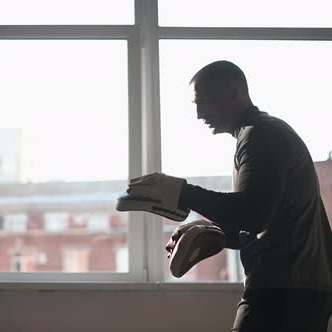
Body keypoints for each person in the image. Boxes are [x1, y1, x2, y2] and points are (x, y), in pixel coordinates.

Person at [117, 60, 332, 331]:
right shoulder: (262, 133)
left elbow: (253, 216)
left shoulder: (260, 136)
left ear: (235, 95)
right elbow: (268, 218)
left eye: (204, 102)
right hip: (294, 289)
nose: (198, 114)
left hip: (285, 290)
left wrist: (180, 192)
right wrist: (214, 232)